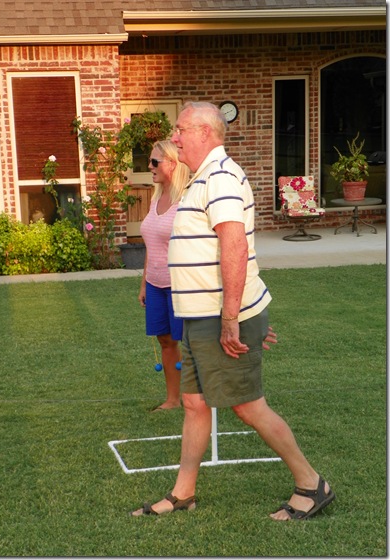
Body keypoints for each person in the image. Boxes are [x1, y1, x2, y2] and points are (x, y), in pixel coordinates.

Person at [131, 102, 335, 520]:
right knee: (193, 403)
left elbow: (235, 248)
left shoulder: (221, 177)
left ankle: (311, 484)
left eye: (181, 129)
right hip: (197, 317)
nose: (174, 137)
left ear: (205, 132)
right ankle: (183, 493)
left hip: (218, 318)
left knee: (247, 406)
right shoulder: (200, 178)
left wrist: (233, 319)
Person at [139, 140, 190, 411]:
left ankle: (198, 400)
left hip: (181, 285)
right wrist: (144, 284)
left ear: (172, 163)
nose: (149, 166)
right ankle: (173, 399)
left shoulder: (187, 200)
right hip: (155, 284)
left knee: (191, 343)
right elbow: (152, 245)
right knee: (165, 341)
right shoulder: (155, 197)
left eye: (154, 162)